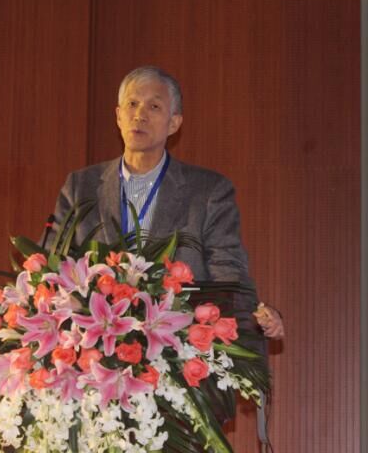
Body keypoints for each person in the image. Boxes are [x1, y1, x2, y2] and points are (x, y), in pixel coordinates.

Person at [49, 65, 284, 344]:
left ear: (174, 123)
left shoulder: (208, 191)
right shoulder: (81, 186)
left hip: (176, 348)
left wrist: (256, 321)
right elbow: (52, 266)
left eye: (154, 106)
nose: (139, 115)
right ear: (118, 116)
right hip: (94, 347)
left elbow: (228, 272)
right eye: (132, 104)